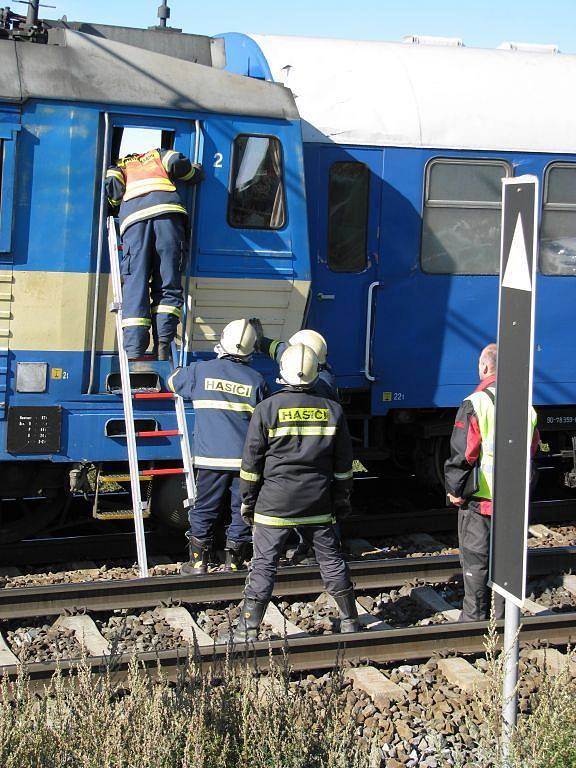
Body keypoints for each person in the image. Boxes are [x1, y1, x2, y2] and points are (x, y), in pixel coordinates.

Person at [234, 343, 359, 640]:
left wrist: (248, 502)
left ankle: (247, 629)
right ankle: (351, 621)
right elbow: (344, 466)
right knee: (331, 561)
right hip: (318, 503)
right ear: (316, 374)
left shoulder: (267, 409)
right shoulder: (333, 410)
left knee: (264, 564)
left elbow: (251, 465)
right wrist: (341, 499)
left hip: (273, 504)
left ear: (283, 373)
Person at [444, 343, 539, 622]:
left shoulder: (476, 403)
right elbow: (532, 450)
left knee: (476, 560)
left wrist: (455, 490)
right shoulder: (525, 404)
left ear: (485, 367)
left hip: (480, 501)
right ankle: (502, 620)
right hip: (511, 501)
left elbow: (464, 452)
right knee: (505, 564)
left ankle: (474, 621)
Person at [167, 319, 269, 574]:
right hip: (244, 462)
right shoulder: (257, 380)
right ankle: (234, 562)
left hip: (210, 458)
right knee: (242, 509)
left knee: (205, 507)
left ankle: (198, 562)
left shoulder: (201, 371)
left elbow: (173, 382)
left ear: (222, 343)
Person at [105, 147, 203, 361]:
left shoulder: (119, 166)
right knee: (168, 284)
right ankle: (163, 345)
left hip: (134, 224)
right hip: (169, 217)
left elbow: (112, 189)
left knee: (135, 284)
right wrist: (196, 173)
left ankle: (134, 349)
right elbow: (179, 163)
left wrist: (115, 206)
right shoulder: (158, 155)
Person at [249, 321, 338, 401]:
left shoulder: (324, 384)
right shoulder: (328, 381)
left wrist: (258, 340)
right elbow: (279, 349)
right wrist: (261, 341)